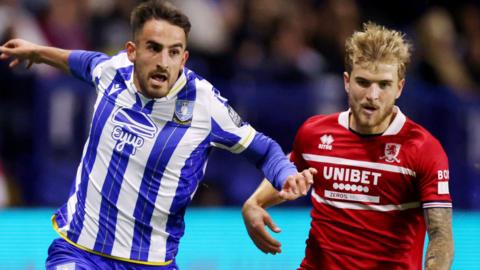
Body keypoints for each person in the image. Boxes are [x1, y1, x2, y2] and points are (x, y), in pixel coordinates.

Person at [0, 1, 316, 269]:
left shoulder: (204, 103)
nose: (164, 62)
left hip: (151, 262)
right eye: (153, 48)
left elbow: (263, 150)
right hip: (80, 251)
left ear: (184, 57)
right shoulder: (115, 70)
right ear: (132, 51)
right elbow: (84, 63)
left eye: (174, 52)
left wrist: (286, 174)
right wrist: (40, 52)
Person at [242, 22, 454, 270]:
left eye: (384, 84)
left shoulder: (423, 148)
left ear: (399, 87)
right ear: (346, 81)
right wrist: (253, 204)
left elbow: (440, 235)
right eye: (363, 82)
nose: (372, 95)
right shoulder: (315, 133)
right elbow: (290, 169)